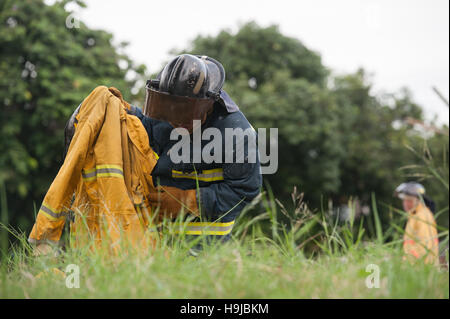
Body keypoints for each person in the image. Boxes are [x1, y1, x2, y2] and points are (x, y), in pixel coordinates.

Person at [128, 54, 262, 246]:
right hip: (155, 241)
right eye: (171, 111)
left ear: (209, 102)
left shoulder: (237, 133)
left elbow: (245, 191)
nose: (177, 121)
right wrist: (125, 114)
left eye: (186, 114)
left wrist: (188, 201)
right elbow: (142, 132)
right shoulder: (164, 113)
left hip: (206, 247)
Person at [394, 182, 439, 265]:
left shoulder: (422, 216)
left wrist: (413, 265)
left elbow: (425, 246)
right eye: (405, 200)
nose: (406, 204)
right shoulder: (414, 216)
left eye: (410, 200)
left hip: (422, 268)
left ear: (418, 200)